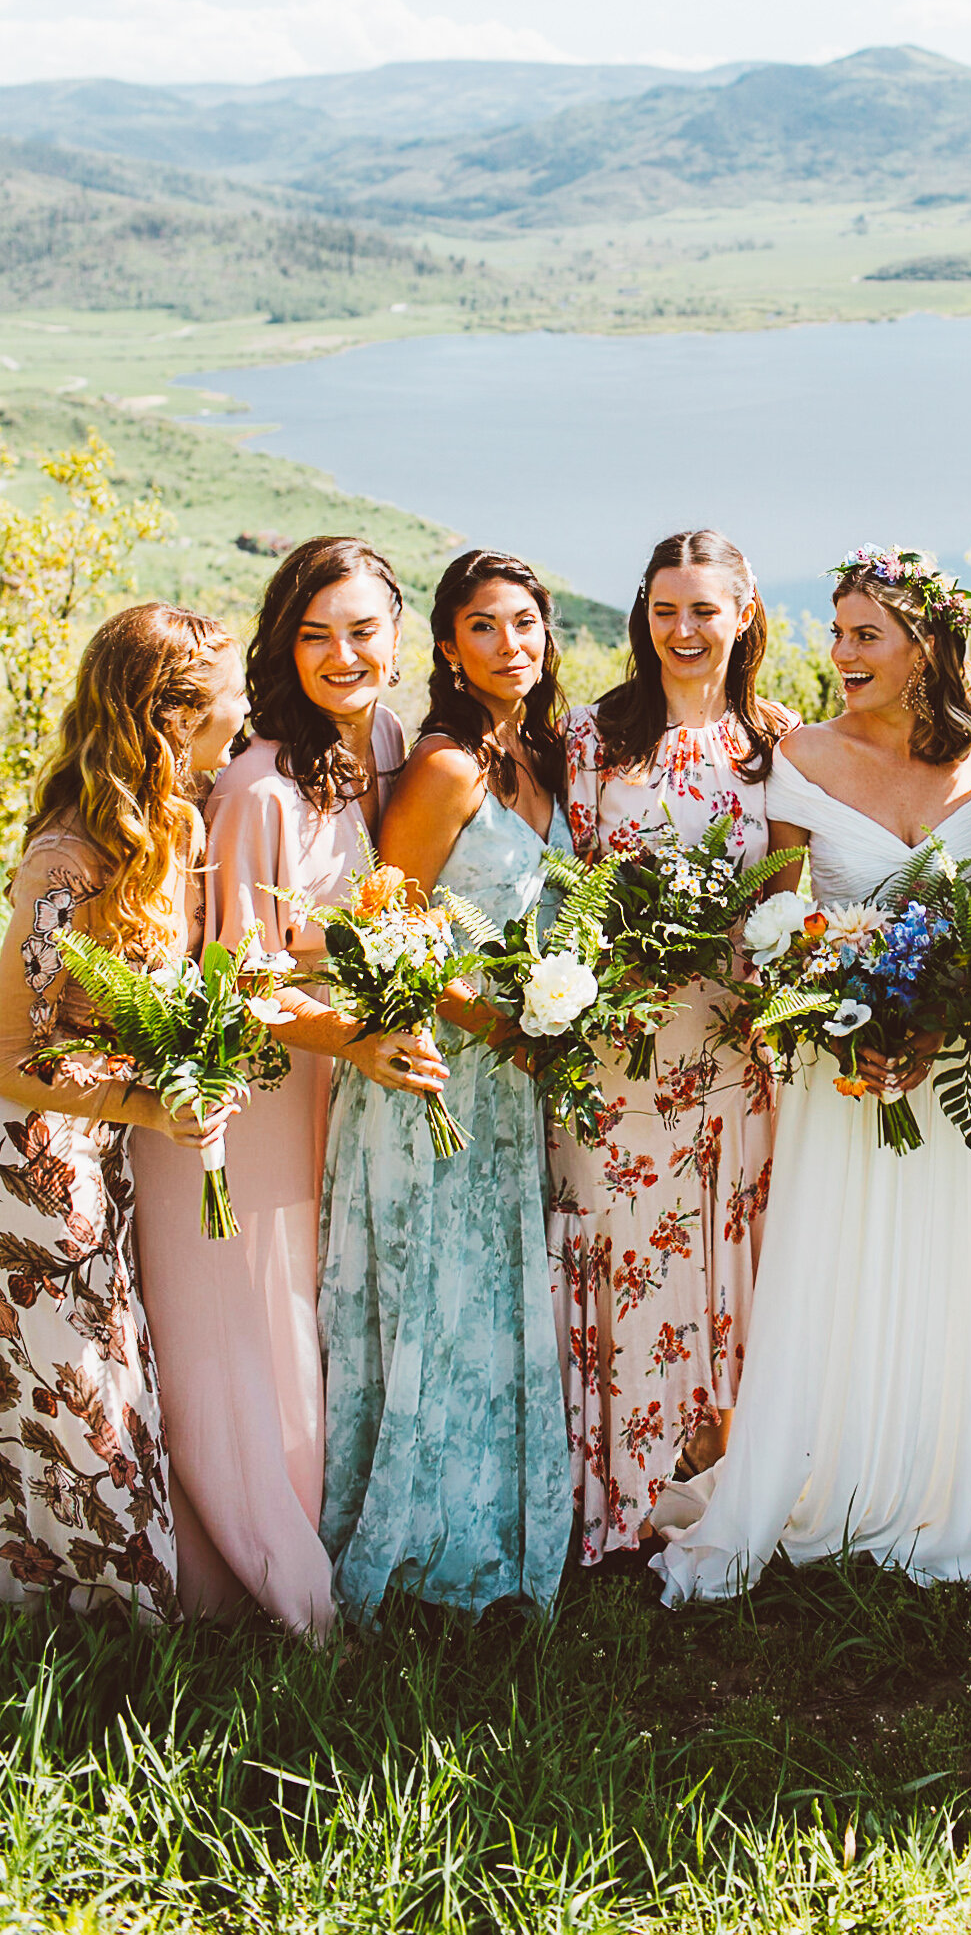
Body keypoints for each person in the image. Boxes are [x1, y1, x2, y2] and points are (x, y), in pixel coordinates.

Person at [654, 544, 971, 1605]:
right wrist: (837, 1011)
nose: (840, 653)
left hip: (963, 1070)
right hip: (839, 1067)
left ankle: (957, 1478)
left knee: (957, 1267)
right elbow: (779, 917)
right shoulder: (800, 754)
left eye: (864, 636)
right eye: (839, 632)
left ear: (925, 648)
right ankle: (832, 1476)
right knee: (835, 1263)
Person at [130, 537, 443, 1636]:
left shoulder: (395, 747)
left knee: (312, 1312)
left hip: (331, 1089)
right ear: (282, 646)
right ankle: (270, 1575)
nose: (342, 655)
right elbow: (233, 980)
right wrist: (356, 1042)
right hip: (250, 1095)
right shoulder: (263, 783)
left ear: (398, 635)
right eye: (315, 636)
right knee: (258, 1322)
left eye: (362, 631)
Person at [317, 551, 576, 1619]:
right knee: (432, 1298)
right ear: (446, 647)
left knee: (494, 1304)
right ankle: (410, 1539)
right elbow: (384, 919)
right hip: (432, 1075)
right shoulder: (445, 768)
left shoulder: (540, 758)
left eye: (525, 624)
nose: (510, 644)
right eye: (484, 626)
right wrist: (503, 1022)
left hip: (514, 1077)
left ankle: (492, 1523)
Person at [549, 528, 796, 1566]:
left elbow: (792, 899)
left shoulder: (780, 740)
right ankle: (619, 1496)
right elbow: (557, 898)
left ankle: (730, 1485)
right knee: (626, 1260)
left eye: (705, 609)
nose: (684, 630)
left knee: (727, 1257)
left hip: (736, 1054)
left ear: (745, 612)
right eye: (664, 610)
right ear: (640, 617)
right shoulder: (591, 738)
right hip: (619, 1061)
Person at [0, 604, 246, 1620]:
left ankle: (101, 1614)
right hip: (32, 1172)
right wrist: (153, 1100)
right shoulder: (66, 861)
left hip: (102, 1158)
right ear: (175, 713)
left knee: (107, 1387)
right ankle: (106, 1626)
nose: (247, 706)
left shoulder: (177, 826)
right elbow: (11, 1055)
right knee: (79, 1401)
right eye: (233, 690)